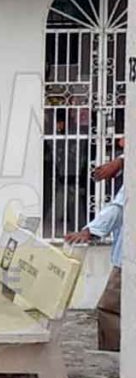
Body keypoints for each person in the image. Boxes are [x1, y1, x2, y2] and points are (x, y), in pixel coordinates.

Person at [65, 142, 125, 351]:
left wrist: (89, 231)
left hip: (127, 260)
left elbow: (118, 209)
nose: (121, 142)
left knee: (109, 308)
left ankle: (114, 358)